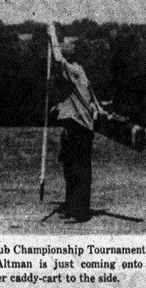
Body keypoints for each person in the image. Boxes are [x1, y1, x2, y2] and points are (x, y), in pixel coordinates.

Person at [48, 23, 104, 223]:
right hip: (74, 124)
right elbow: (80, 97)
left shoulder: (75, 70)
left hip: (80, 126)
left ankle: (80, 212)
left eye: (68, 47)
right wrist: (60, 106)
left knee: (78, 168)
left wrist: (52, 35)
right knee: (70, 167)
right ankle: (72, 206)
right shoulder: (80, 73)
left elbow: (57, 58)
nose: (65, 48)